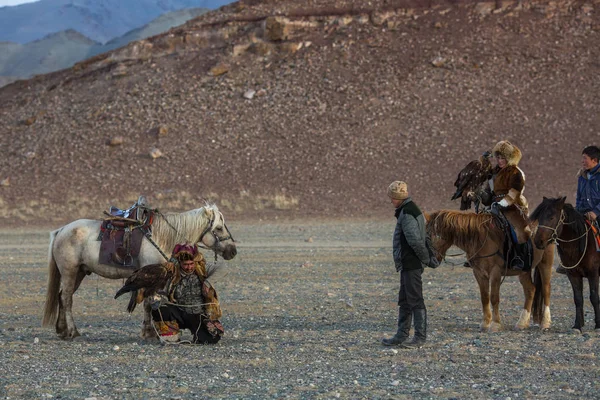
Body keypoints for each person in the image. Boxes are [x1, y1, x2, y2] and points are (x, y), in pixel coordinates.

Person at [382, 181, 433, 349]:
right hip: (408, 263)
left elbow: (415, 241)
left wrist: (425, 259)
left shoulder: (408, 212)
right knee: (405, 299)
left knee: (415, 299)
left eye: (392, 197)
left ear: (397, 197)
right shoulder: (409, 209)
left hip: (411, 263)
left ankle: (419, 337)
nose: (390, 201)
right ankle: (401, 335)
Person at [151, 243, 224, 344]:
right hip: (178, 312)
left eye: (191, 264)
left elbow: (222, 268)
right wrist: (158, 299)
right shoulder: (172, 274)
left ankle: (199, 335)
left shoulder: (201, 269)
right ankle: (171, 337)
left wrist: (207, 283)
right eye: (185, 264)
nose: (189, 267)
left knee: (211, 339)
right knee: (160, 309)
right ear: (179, 263)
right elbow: (162, 291)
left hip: (198, 314)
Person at [555, 145, 600, 274]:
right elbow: (579, 197)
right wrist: (577, 211)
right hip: (583, 212)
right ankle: (566, 262)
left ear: (594, 160)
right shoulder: (582, 176)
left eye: (585, 158)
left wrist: (595, 212)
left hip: (597, 213)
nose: (582, 161)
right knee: (564, 228)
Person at [488, 140, 531, 270]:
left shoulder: (515, 173)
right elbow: (490, 191)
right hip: (494, 205)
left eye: (503, 158)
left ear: (509, 158)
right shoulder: (493, 173)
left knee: (517, 230)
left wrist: (501, 204)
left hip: (512, 207)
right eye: (498, 157)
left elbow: (514, 193)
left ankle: (519, 257)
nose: (500, 161)